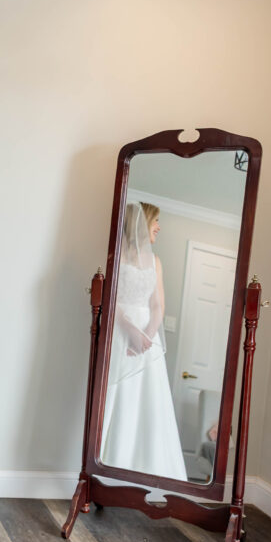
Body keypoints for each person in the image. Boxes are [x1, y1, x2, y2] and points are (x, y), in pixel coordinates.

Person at [99, 202, 188, 481]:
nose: (159, 227)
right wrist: (130, 331)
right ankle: (107, 470)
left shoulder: (155, 261)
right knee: (117, 396)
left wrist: (147, 336)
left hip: (147, 341)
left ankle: (144, 474)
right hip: (119, 333)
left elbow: (158, 305)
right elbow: (110, 300)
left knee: (146, 403)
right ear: (141, 222)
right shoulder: (116, 256)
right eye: (156, 221)